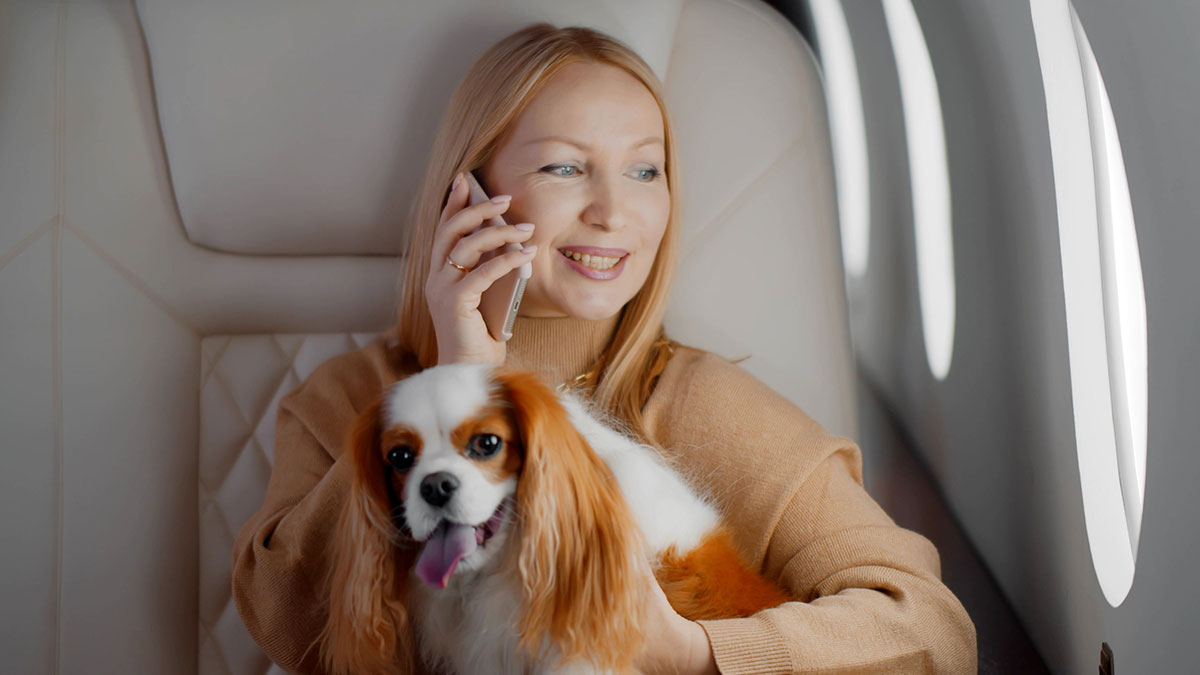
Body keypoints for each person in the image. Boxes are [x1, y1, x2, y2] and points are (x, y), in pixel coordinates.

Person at [232, 22, 977, 674]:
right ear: (469, 193)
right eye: (564, 167)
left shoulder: (704, 403)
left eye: (645, 170)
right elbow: (289, 629)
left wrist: (692, 652)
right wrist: (462, 380)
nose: (614, 211)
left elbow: (933, 631)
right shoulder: (345, 397)